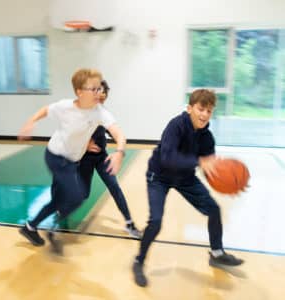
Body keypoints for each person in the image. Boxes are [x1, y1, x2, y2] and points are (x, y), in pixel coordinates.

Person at [132, 89, 244, 287]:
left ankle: (217, 253)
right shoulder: (176, 126)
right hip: (159, 177)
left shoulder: (207, 138)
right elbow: (167, 158)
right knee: (156, 222)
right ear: (190, 108)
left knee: (214, 210)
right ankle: (138, 261)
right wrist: (200, 161)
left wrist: (231, 184)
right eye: (201, 109)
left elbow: (210, 170)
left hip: (185, 179)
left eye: (209, 111)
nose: (204, 114)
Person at [18, 68, 126, 253]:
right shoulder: (65, 107)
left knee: (58, 200)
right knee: (77, 196)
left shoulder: (99, 112)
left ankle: (30, 227)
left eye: (99, 88)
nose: (98, 93)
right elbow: (46, 110)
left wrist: (120, 151)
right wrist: (31, 122)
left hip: (71, 161)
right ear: (79, 92)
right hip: (56, 157)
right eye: (93, 89)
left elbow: (117, 131)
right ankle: (51, 226)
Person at [80, 80, 141, 238]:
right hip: (84, 159)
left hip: (101, 157)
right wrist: (83, 143)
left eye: (103, 96)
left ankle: (129, 223)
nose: (101, 99)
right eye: (98, 94)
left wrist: (119, 151)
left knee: (114, 187)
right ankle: (59, 209)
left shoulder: (103, 114)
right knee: (83, 194)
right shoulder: (80, 112)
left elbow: (116, 132)